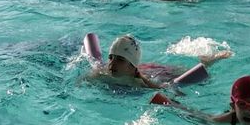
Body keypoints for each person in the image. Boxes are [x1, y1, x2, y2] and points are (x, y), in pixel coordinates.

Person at [89, 34, 231, 90]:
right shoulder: (101, 73)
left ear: (132, 66)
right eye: (111, 57)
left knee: (179, 82)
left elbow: (162, 90)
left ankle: (208, 62)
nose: (112, 64)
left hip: (158, 73)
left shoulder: (140, 82)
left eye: (120, 60)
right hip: (146, 68)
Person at [151, 76, 250, 125]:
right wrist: (163, 101)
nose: (249, 110)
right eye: (242, 104)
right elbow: (191, 114)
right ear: (233, 106)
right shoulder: (218, 121)